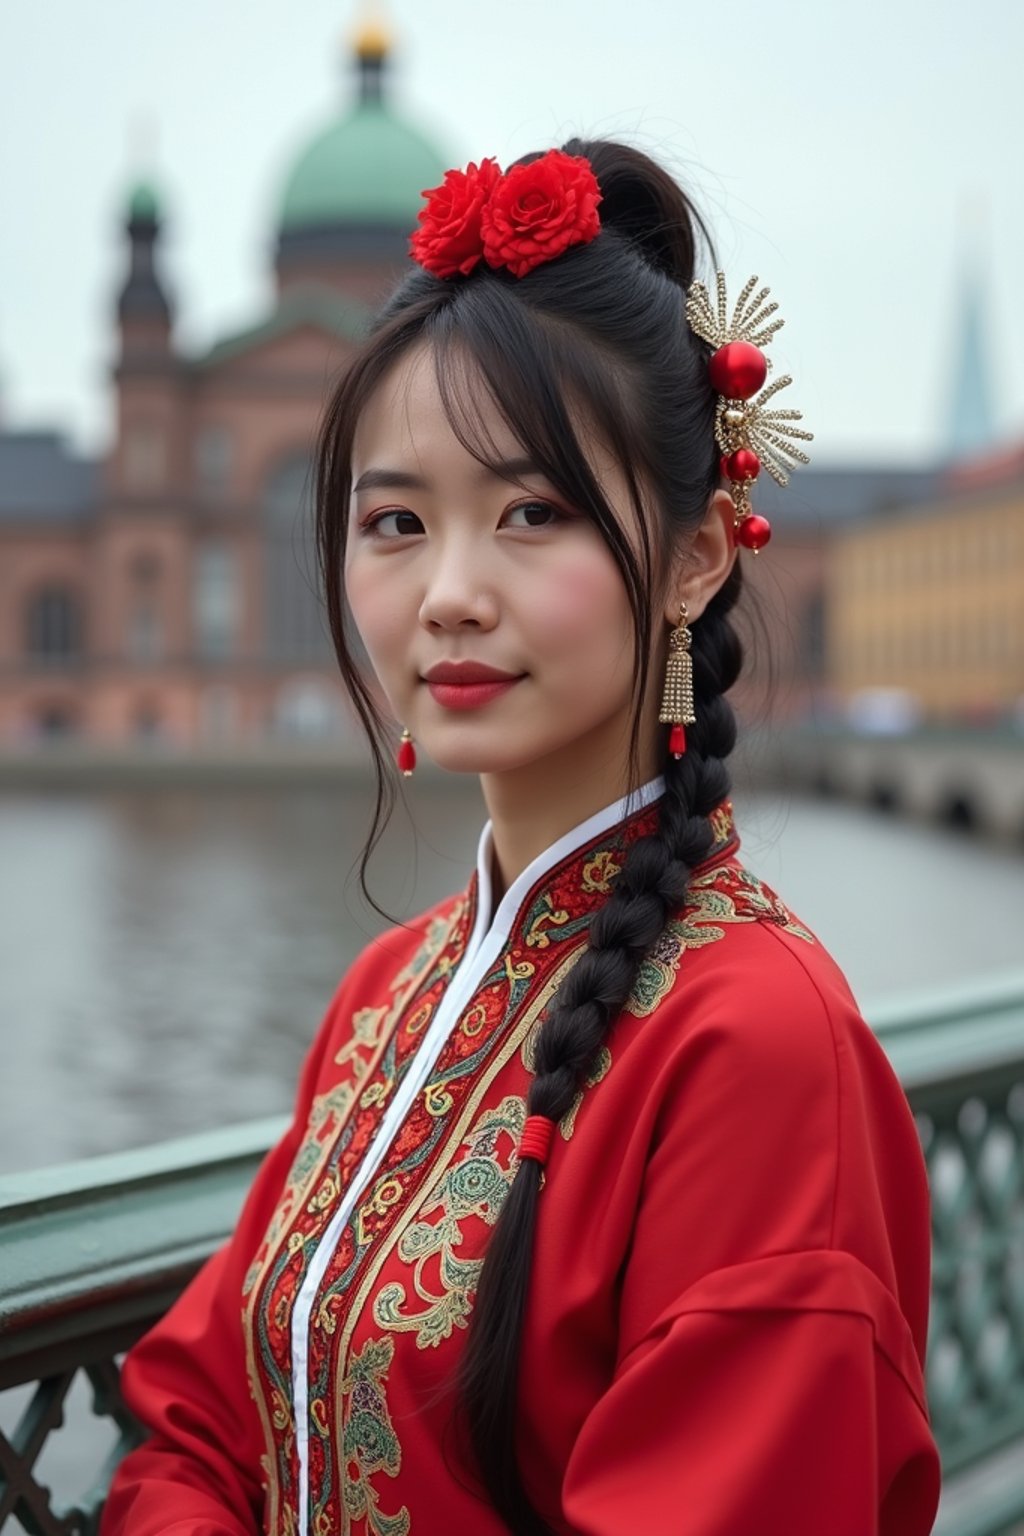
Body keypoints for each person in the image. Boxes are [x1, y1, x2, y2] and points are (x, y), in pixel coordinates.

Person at [101, 138, 941, 1536]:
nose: (448, 593)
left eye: (531, 512)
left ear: (694, 555)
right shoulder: (390, 994)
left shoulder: (758, 1048)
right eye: (394, 521)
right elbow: (196, 1423)